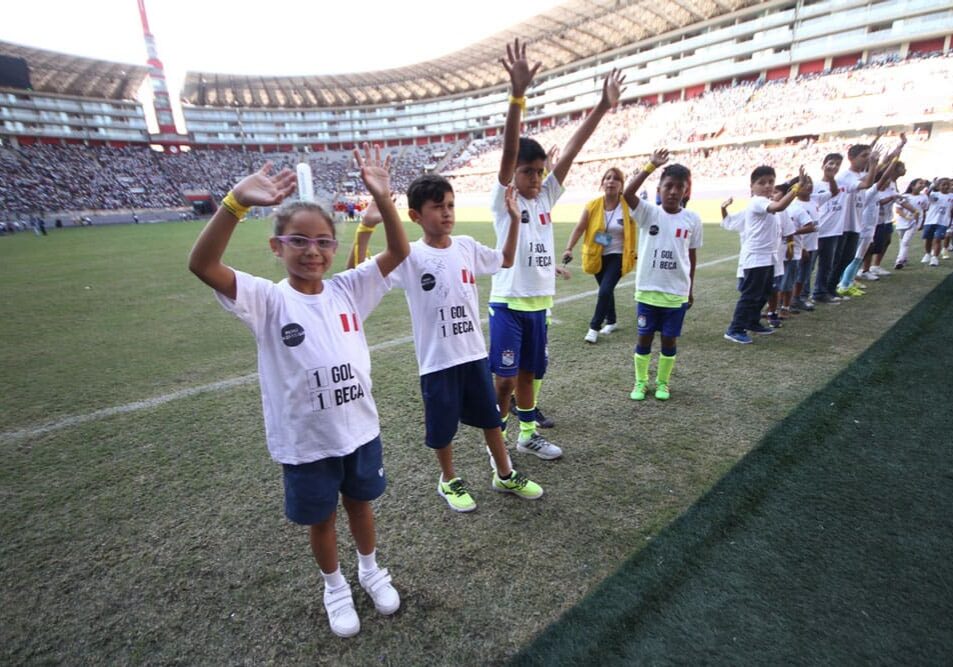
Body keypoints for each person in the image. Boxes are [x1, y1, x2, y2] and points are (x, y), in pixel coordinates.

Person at [187, 144, 410, 639]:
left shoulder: (348, 288)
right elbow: (202, 264)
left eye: (324, 242)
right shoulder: (267, 299)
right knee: (323, 518)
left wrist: (383, 199)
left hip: (359, 429)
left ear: (335, 246)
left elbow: (398, 252)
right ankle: (335, 587)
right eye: (299, 241)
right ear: (276, 247)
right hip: (306, 441)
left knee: (362, 505)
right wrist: (234, 204)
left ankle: (371, 571)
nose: (313, 251)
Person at [358, 173, 543, 512]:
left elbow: (505, 259)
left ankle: (504, 473)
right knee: (442, 430)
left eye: (450, 205)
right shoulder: (408, 256)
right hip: (437, 361)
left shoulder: (466, 246)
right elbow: (361, 272)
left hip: (472, 354)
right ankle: (448, 479)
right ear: (415, 216)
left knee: (490, 418)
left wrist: (515, 219)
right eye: (437, 207)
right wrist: (366, 228)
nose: (447, 213)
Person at [488, 38, 624, 459]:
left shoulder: (545, 197)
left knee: (530, 373)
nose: (535, 178)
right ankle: (497, 437)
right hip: (508, 304)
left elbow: (574, 150)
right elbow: (511, 149)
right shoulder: (505, 198)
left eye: (539, 171)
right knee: (506, 380)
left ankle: (527, 437)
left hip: (538, 305)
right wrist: (517, 96)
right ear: (513, 173)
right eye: (527, 171)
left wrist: (602, 106)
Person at [620, 148, 701, 399]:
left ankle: (662, 383)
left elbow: (692, 257)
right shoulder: (649, 213)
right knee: (644, 339)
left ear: (686, 191)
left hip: (675, 293)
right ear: (659, 189)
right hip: (647, 292)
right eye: (668, 186)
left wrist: (689, 289)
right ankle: (640, 382)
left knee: (669, 341)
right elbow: (628, 193)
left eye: (679, 187)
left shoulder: (692, 220)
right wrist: (650, 166)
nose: (674, 191)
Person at [723, 165, 808, 344]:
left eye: (771, 182)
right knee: (750, 295)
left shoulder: (763, 204)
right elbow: (779, 205)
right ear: (752, 187)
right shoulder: (758, 202)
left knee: (764, 293)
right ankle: (735, 328)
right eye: (762, 183)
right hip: (756, 258)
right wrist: (796, 188)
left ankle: (753, 322)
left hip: (768, 258)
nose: (767, 186)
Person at [562, 166, 637, 344]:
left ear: (621, 185)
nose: (611, 181)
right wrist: (568, 248)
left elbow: (644, 223)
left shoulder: (628, 206)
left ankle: (594, 327)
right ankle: (611, 320)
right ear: (602, 183)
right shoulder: (593, 205)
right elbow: (580, 227)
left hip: (618, 256)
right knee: (606, 290)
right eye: (608, 178)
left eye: (616, 179)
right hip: (596, 255)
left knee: (604, 290)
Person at [893, 178, 926, 269]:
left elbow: (924, 209)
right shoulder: (904, 196)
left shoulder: (924, 197)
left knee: (905, 241)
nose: (923, 185)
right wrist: (906, 217)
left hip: (914, 223)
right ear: (912, 186)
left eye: (924, 184)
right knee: (902, 241)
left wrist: (922, 222)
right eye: (920, 183)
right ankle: (904, 258)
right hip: (902, 222)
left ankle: (899, 260)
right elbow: (898, 209)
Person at [921, 177, 953, 266]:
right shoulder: (934, 194)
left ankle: (935, 257)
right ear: (938, 186)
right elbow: (927, 194)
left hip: (943, 222)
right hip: (930, 220)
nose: (946, 186)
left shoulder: (951, 196)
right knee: (928, 239)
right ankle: (927, 253)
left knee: (938, 239)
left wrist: (950, 221)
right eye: (943, 185)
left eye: (948, 185)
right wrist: (932, 185)